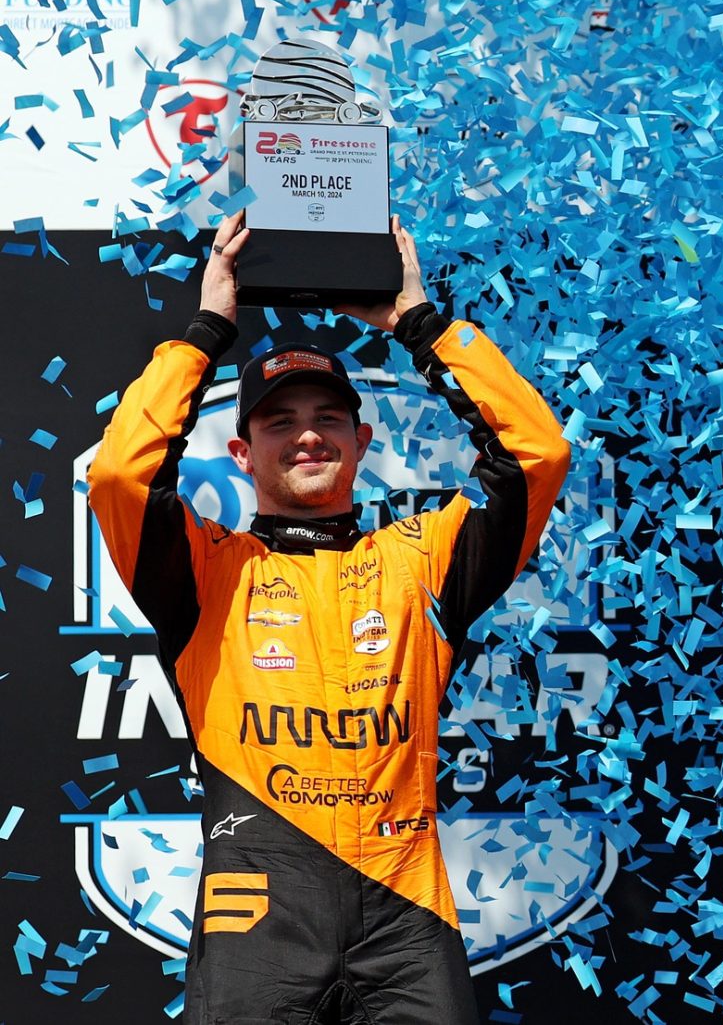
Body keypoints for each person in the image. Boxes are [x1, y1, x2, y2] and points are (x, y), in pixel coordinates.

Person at [86, 212, 570, 1025]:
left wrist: (420, 324)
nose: (306, 435)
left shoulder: (424, 557)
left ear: (361, 438)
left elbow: (537, 455)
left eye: (327, 418)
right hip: (259, 915)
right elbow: (120, 479)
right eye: (279, 421)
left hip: (405, 911)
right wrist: (205, 334)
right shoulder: (204, 569)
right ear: (241, 453)